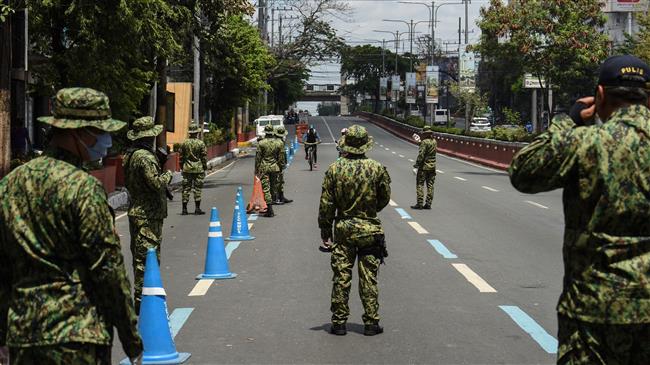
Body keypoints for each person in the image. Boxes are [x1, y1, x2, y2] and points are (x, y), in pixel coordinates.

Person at [509, 55, 650, 365]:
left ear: (599, 96)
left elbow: (523, 172)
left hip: (593, 311)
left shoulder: (586, 142)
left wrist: (567, 121)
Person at [0, 88, 143, 364]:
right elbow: (107, 269)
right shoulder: (83, 189)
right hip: (77, 338)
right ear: (77, 132)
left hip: (24, 337)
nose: (106, 140)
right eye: (99, 131)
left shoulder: (9, 186)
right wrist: (131, 338)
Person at [319, 125, 391, 337]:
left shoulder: (334, 169)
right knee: (369, 277)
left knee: (342, 276)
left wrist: (325, 231)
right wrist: (370, 210)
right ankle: (371, 322)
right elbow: (385, 197)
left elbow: (326, 205)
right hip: (370, 230)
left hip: (343, 230)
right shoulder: (377, 168)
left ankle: (339, 322)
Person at [124, 116, 173, 314]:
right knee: (147, 262)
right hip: (147, 215)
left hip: (139, 212)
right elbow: (156, 184)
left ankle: (143, 302)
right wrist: (167, 173)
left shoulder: (131, 154)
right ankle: (143, 306)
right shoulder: (144, 157)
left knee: (141, 259)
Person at [255, 125, 283, 217]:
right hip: (275, 167)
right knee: (273, 187)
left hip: (264, 168)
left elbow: (258, 158)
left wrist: (256, 169)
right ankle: (271, 206)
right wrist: (281, 167)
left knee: (266, 188)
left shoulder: (261, 143)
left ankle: (270, 210)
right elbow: (281, 157)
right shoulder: (279, 143)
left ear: (265, 132)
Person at [180, 123, 207, 215]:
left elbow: (181, 156)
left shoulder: (184, 143)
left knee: (186, 189)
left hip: (187, 168)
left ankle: (184, 209)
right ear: (197, 133)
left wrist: (181, 166)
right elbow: (203, 157)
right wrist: (204, 166)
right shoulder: (200, 143)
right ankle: (197, 208)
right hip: (198, 168)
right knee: (197, 189)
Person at [411, 125, 437, 210]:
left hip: (424, 167)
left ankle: (420, 203)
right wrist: (419, 142)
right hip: (432, 166)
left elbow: (421, 155)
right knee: (430, 185)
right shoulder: (434, 141)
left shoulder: (424, 142)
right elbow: (428, 148)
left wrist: (416, 165)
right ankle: (428, 203)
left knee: (420, 184)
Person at [273, 126, 293, 205]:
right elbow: (281, 155)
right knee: (278, 181)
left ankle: (281, 197)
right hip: (278, 165)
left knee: (280, 181)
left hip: (276, 164)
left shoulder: (276, 141)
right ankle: (277, 198)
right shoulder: (280, 142)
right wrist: (282, 165)